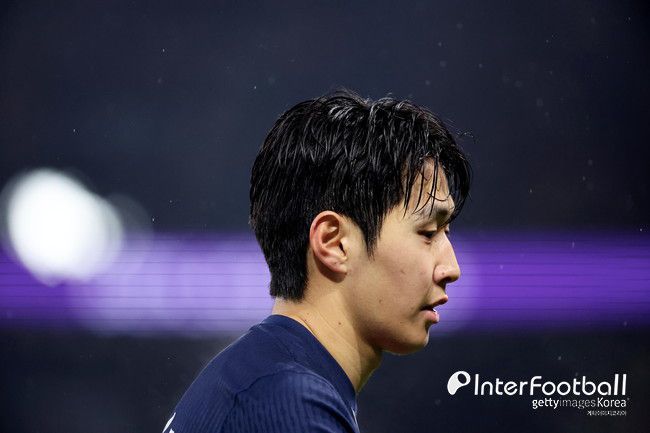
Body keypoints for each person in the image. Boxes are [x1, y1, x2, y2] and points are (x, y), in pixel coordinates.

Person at [163, 89, 471, 433]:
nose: (451, 269)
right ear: (333, 243)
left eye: (447, 232)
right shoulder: (287, 402)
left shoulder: (256, 380)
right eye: (428, 232)